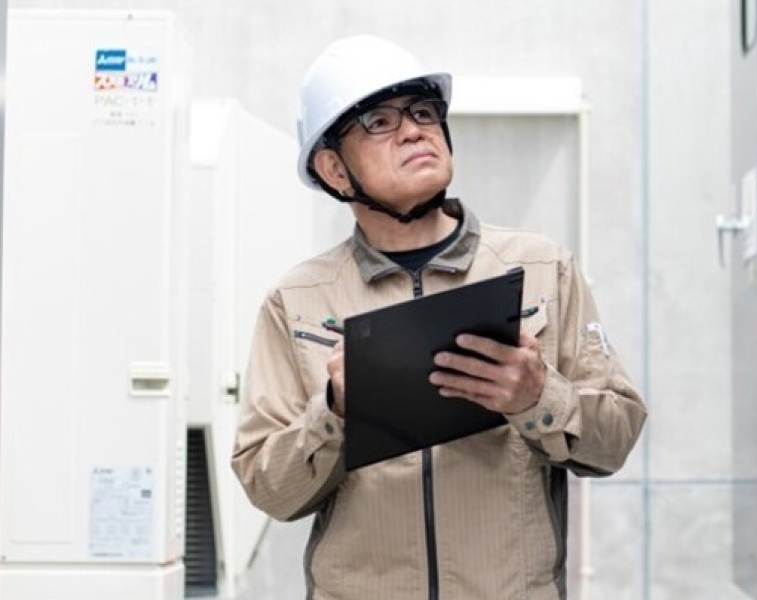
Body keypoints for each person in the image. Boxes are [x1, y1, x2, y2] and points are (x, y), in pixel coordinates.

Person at [231, 34, 647, 600]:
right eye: (379, 121)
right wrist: (334, 411)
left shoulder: (541, 268)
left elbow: (616, 438)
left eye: (423, 112)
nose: (413, 130)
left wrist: (538, 396)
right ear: (333, 169)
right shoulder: (298, 300)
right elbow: (270, 490)